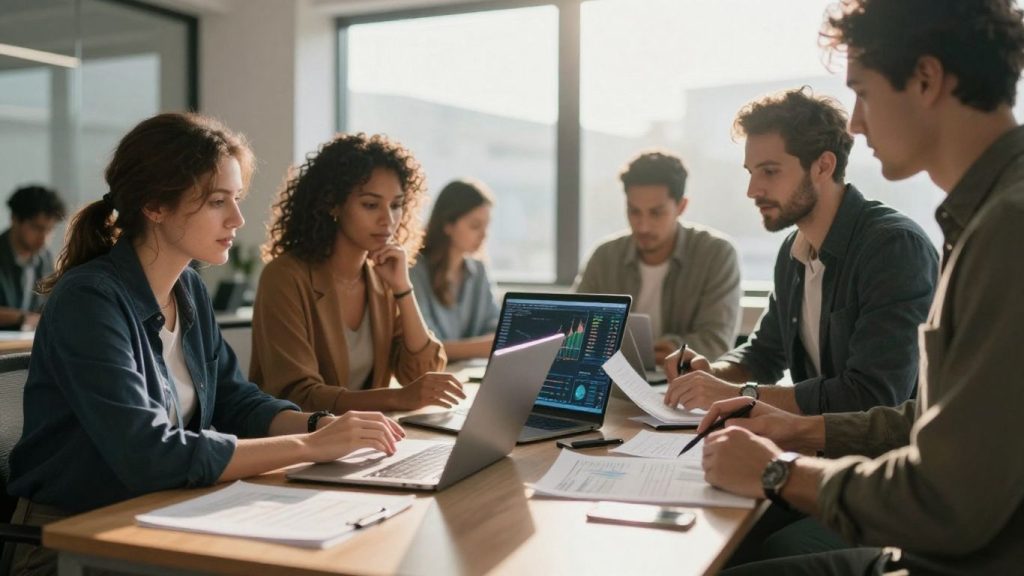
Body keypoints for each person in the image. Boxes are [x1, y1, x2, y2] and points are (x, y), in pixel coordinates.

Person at [699, 1, 1024, 574]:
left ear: (925, 79)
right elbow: (927, 420)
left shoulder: (1006, 229)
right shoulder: (981, 220)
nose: (855, 123)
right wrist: (796, 427)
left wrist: (779, 470)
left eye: (864, 92)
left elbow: (948, 501)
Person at [6, 113, 405, 575]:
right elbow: (150, 453)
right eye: (218, 201)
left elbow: (237, 400)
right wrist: (309, 447)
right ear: (155, 205)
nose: (237, 219)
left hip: (162, 518)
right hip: (73, 542)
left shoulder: (188, 288)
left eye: (235, 199)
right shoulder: (89, 300)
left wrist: (320, 425)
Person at [664, 88, 938, 416]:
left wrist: (741, 394)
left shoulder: (894, 248)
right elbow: (763, 354)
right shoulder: (793, 251)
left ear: (823, 166)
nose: (753, 190)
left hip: (882, 459)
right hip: (817, 447)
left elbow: (873, 396)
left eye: (769, 171)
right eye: (751, 173)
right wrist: (711, 374)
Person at [251, 133, 464, 414]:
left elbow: (422, 374)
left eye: (396, 205)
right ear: (333, 204)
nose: (388, 220)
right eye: (371, 205)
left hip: (365, 443)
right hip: (298, 444)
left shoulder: (383, 278)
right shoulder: (285, 277)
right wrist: (396, 399)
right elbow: (298, 396)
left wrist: (403, 288)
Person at [575, 150, 740, 363]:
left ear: (681, 206)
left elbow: (717, 340)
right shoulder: (604, 256)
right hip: (612, 377)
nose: (643, 226)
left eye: (656, 213)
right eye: (634, 212)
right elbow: (577, 327)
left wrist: (673, 348)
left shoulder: (716, 254)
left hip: (682, 380)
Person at [410, 178, 500, 361]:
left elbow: (495, 326)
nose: (484, 235)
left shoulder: (479, 271)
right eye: (475, 226)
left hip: (469, 374)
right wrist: (485, 347)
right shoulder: (414, 271)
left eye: (486, 226)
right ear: (448, 225)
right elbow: (425, 347)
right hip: (432, 378)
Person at [0, 185, 66, 330]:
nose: (44, 238)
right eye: (37, 228)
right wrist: (22, 318)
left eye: (49, 230)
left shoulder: (45, 258)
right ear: (15, 219)